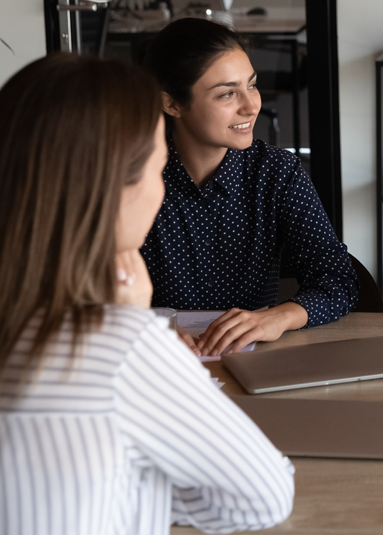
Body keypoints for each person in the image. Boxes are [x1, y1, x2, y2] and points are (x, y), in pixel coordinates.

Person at [0, 55, 294, 533]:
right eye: (155, 170)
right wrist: (132, 327)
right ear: (110, 192)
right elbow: (263, 498)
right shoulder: (119, 347)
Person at [140, 18, 357, 357]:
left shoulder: (276, 171)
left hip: (254, 361)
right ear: (172, 104)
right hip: (158, 362)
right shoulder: (131, 177)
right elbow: (84, 291)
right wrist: (148, 330)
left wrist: (279, 317)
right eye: (227, 93)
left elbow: (338, 280)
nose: (251, 105)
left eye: (252, 85)